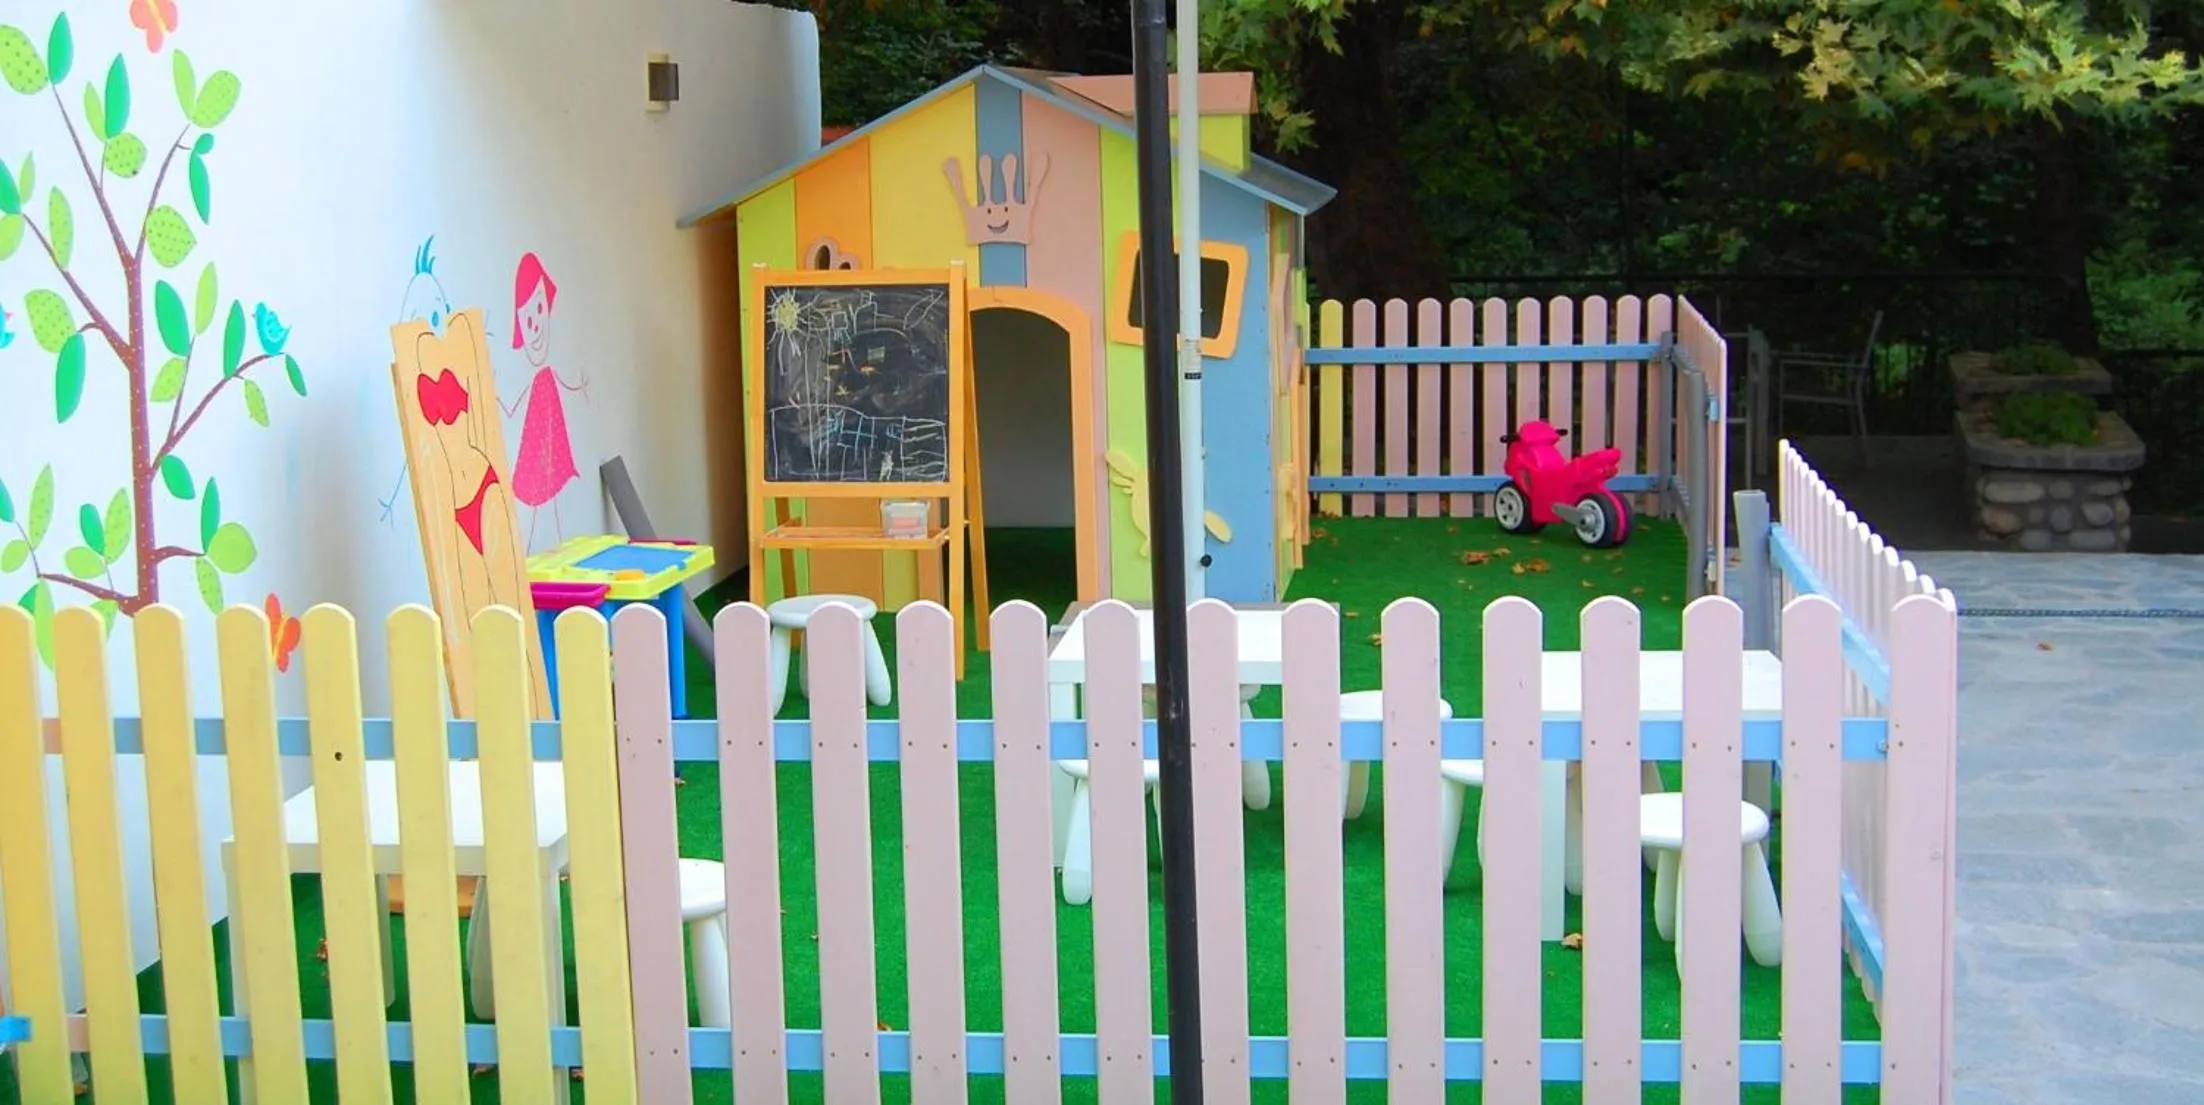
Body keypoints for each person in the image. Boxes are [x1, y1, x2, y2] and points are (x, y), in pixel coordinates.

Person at [502, 251, 588, 547]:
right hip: (536, 445)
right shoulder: (538, 380)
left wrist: (579, 385)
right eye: (527, 319)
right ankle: (530, 550)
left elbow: (564, 385)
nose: (536, 326)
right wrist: (498, 404)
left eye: (539, 309)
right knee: (540, 499)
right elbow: (517, 408)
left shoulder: (548, 376)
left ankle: (556, 545)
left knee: (548, 498)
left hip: (550, 442)